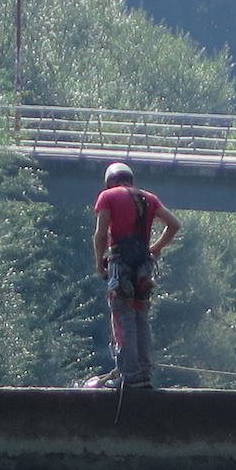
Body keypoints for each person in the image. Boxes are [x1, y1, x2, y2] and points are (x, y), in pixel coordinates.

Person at [92, 161, 181, 389]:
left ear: (109, 181)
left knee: (123, 318)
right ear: (131, 179)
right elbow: (173, 224)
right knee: (141, 318)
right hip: (144, 267)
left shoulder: (108, 196)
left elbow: (101, 234)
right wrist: (155, 248)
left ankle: (129, 376)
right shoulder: (149, 198)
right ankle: (143, 374)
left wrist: (99, 263)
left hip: (121, 264)